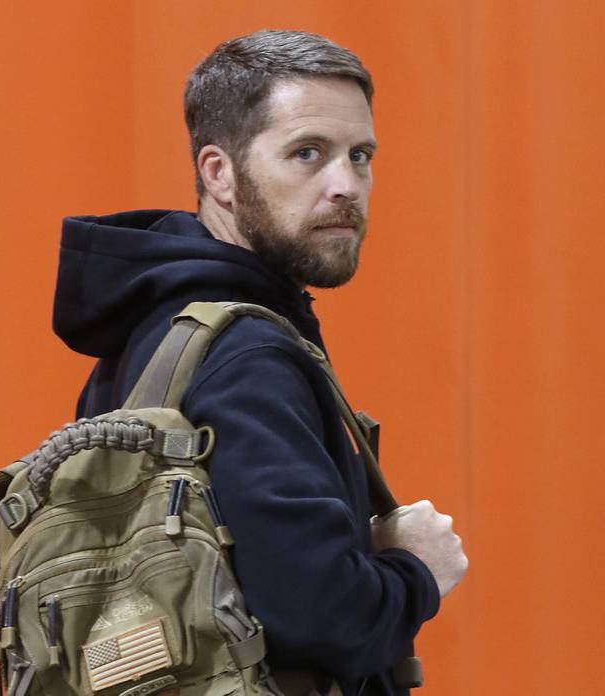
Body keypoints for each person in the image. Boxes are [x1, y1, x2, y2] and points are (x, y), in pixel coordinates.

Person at [52, 29, 468, 696]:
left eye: (359, 156)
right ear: (219, 172)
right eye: (308, 154)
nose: (346, 186)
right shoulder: (248, 356)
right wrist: (416, 569)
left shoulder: (156, 331)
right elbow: (319, 614)